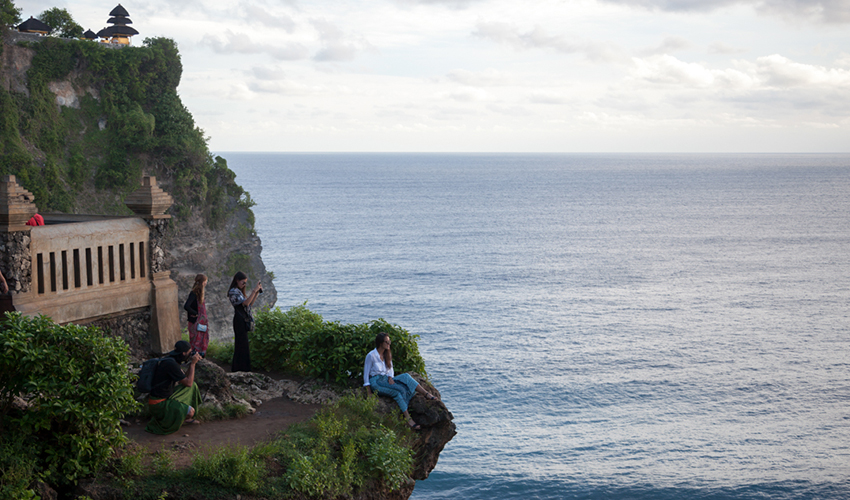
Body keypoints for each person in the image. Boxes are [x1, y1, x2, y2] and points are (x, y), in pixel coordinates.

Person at [364, 332, 438, 430]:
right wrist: (369, 392)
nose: (389, 344)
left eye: (389, 341)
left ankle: (426, 394)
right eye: (386, 342)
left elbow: (390, 369)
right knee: (398, 391)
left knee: (406, 377)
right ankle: (409, 420)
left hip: (386, 379)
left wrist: (390, 377)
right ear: (380, 343)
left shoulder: (387, 354)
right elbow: (366, 375)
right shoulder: (371, 355)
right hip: (376, 382)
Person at [145, 340, 203, 435]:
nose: (190, 354)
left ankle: (179, 417)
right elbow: (188, 382)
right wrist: (193, 364)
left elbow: (186, 380)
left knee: (193, 386)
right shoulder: (171, 364)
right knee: (190, 412)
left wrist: (191, 364)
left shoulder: (171, 360)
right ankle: (178, 419)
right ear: (183, 353)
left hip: (165, 397)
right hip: (159, 404)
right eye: (189, 352)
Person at [228, 271, 262, 372]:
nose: (244, 284)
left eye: (245, 283)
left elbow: (250, 304)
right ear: (237, 281)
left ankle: (242, 368)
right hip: (239, 320)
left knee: (244, 345)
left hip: (243, 319)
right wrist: (253, 291)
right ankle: (239, 369)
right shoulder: (233, 291)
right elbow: (246, 304)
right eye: (243, 282)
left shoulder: (239, 291)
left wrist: (256, 292)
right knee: (241, 345)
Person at [184, 274, 209, 357]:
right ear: (202, 282)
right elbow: (186, 306)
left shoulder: (200, 293)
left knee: (201, 337)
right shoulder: (194, 293)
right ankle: (195, 354)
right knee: (195, 338)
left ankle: (200, 353)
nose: (206, 283)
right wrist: (196, 314)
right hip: (195, 321)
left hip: (200, 321)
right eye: (205, 281)